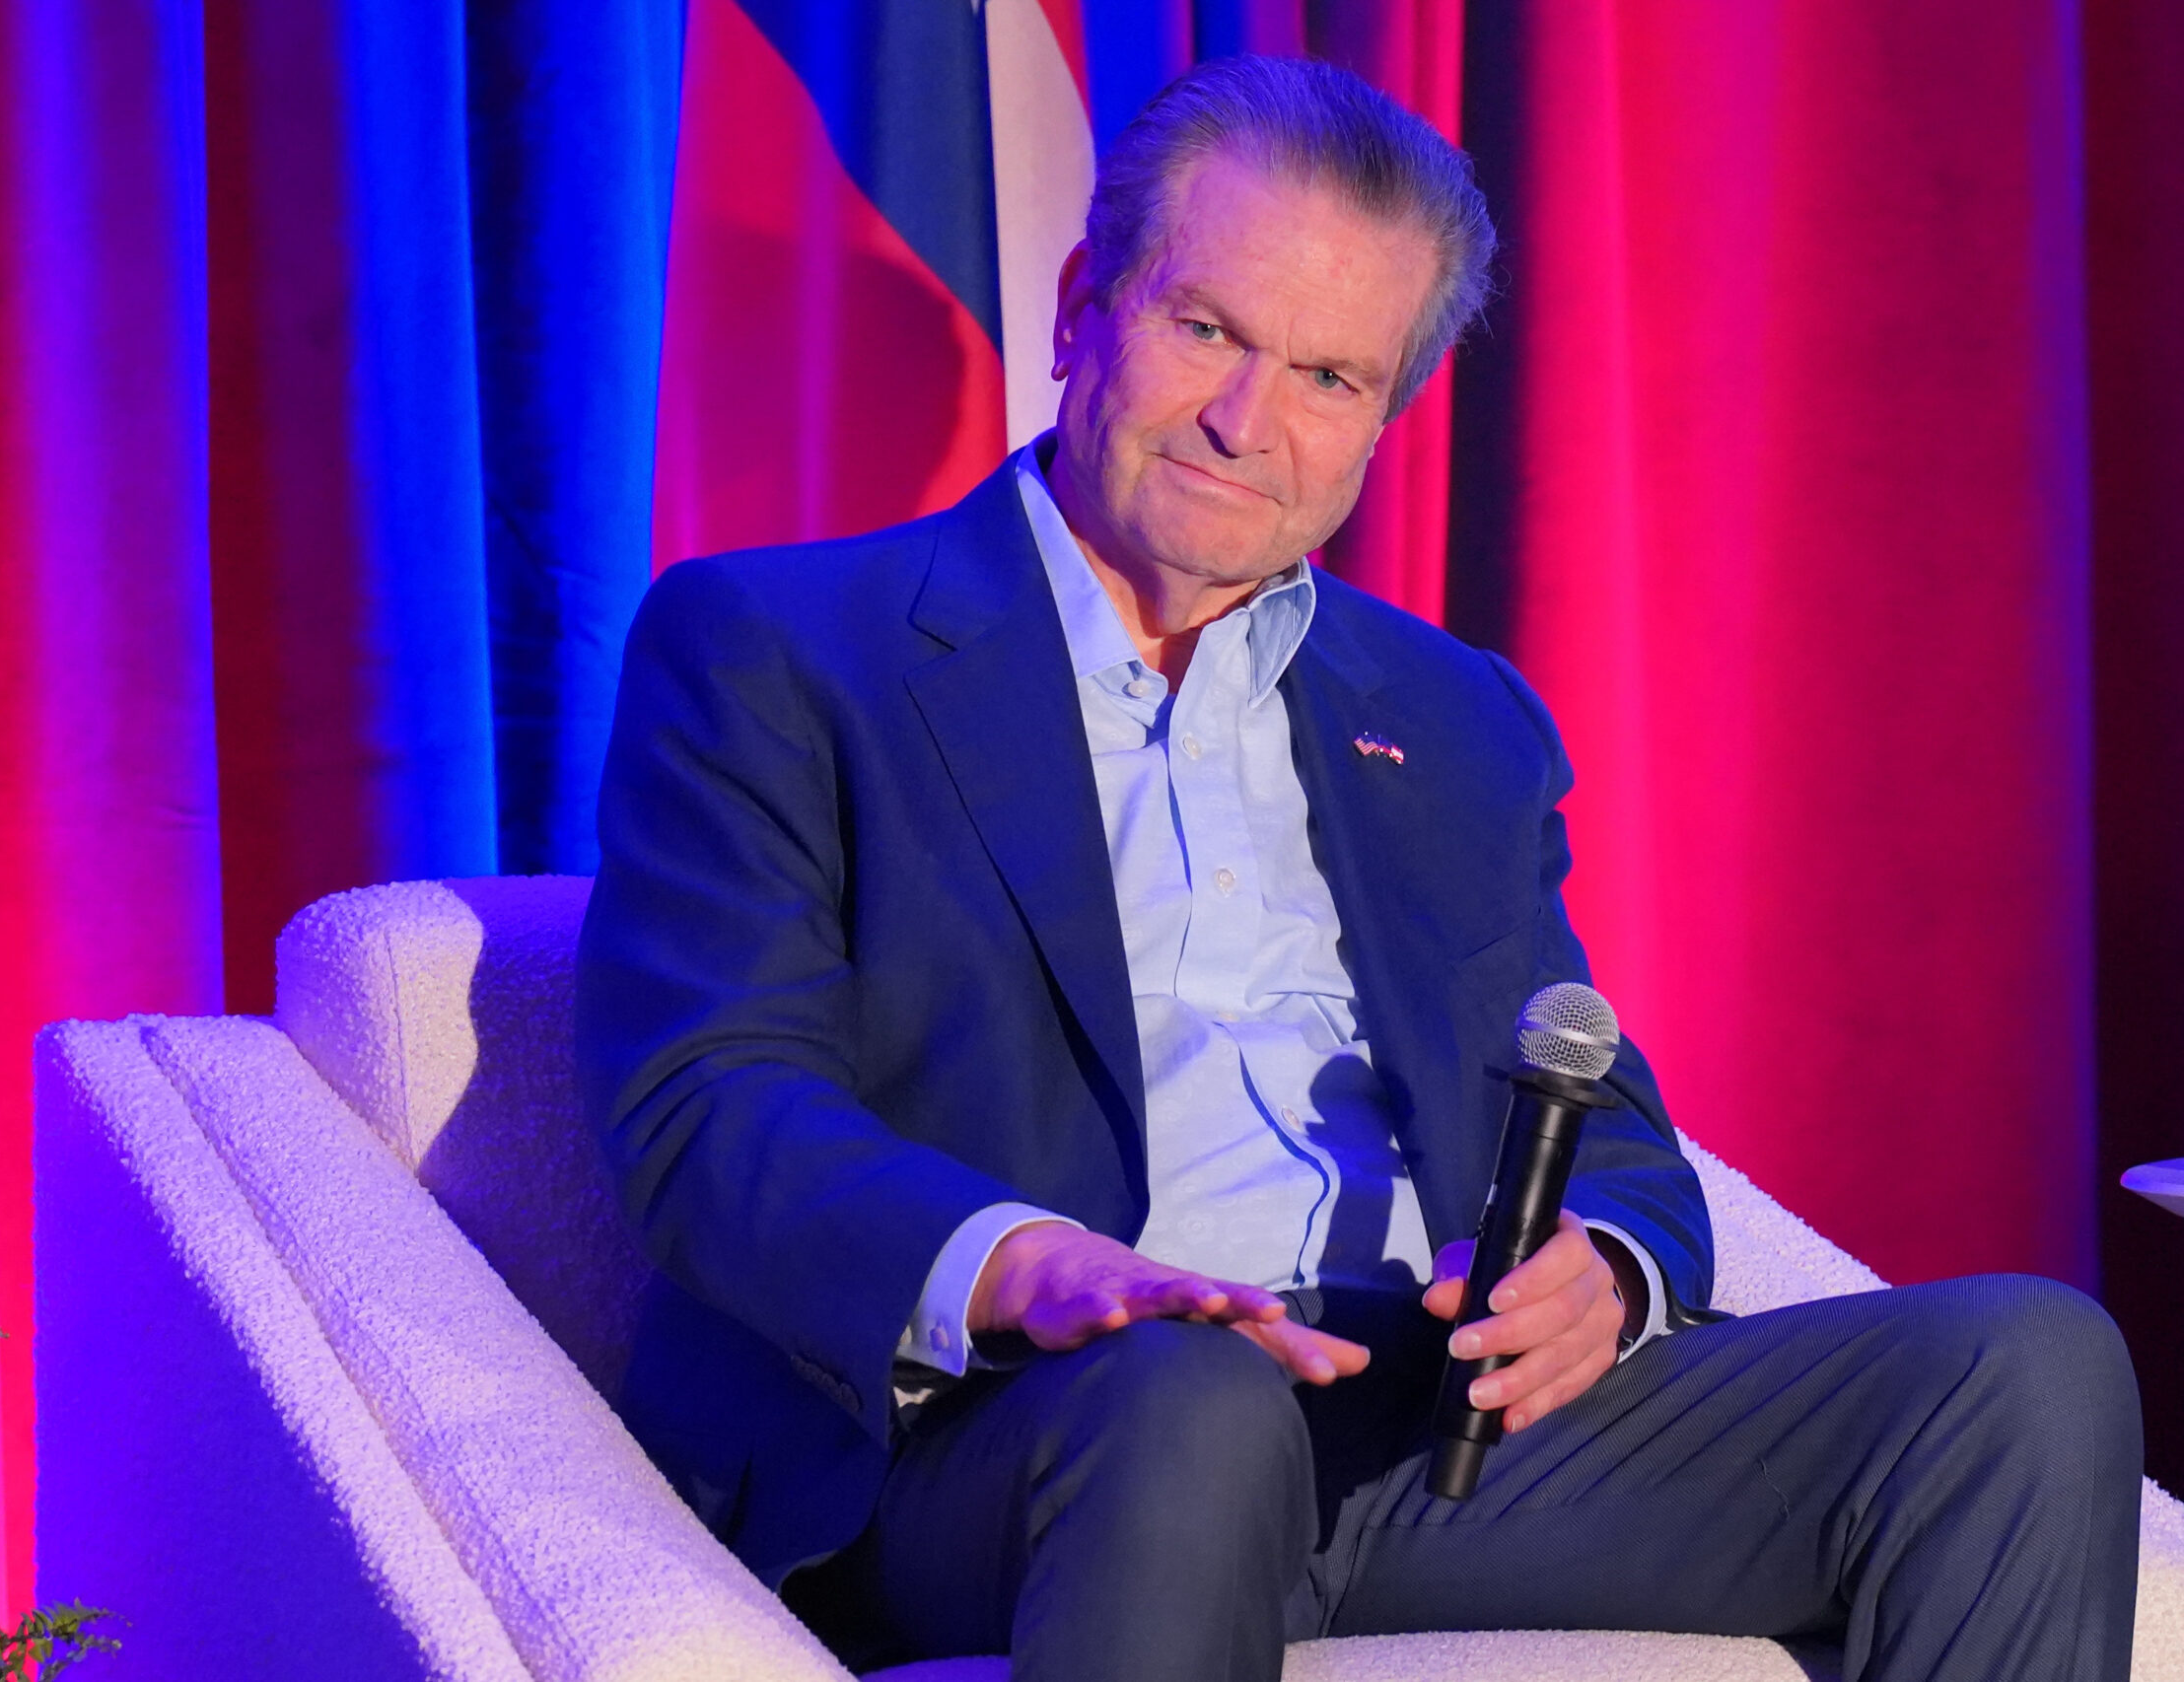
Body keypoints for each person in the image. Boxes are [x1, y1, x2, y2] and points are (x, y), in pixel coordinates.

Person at [575, 54, 2142, 1682]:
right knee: (1189, 1400)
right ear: (1083, 306)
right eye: (1207, 331)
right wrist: (1026, 1260)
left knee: (2021, 1367)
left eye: (1329, 376)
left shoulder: (1453, 718)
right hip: (1027, 1422)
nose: (1247, 422)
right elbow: (705, 1096)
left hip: (1423, 1426)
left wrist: (1601, 1266)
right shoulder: (780, 649)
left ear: (1382, 421)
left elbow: (1603, 1118)